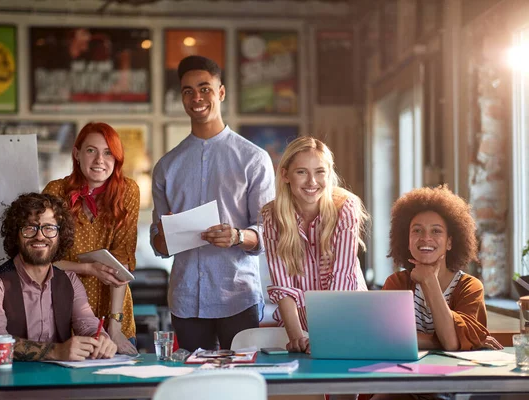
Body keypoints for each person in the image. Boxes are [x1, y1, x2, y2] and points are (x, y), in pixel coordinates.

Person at [150, 55, 275, 351]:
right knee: (192, 385)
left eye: (204, 88)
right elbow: (159, 245)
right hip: (185, 300)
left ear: (221, 92)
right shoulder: (167, 166)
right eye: (188, 91)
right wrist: (164, 237)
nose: (197, 98)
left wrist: (236, 236)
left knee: (241, 386)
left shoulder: (253, 158)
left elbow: (269, 232)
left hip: (238, 296)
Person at [371, 186, 503, 400]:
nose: (426, 238)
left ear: (450, 242)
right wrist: (443, 340)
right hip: (402, 379)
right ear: (407, 238)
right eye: (417, 230)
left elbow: (451, 342)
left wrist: (429, 280)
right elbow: (389, 341)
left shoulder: (470, 287)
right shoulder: (396, 283)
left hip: (452, 382)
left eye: (436, 231)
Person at [0, 193, 117, 369]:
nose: (40, 236)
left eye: (49, 228)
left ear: (60, 235)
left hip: (59, 383)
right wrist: (56, 351)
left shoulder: (70, 280)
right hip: (8, 386)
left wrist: (102, 340)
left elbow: (88, 324)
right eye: (30, 228)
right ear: (16, 234)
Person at [262, 136, 369, 354]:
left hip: (346, 318)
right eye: (302, 172)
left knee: (345, 386)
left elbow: (342, 277)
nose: (312, 181)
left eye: (320, 171)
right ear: (285, 175)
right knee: (305, 385)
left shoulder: (345, 208)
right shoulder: (271, 215)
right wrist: (297, 337)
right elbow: (283, 286)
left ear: (329, 174)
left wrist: (325, 336)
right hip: (299, 324)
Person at [43, 122, 139, 354]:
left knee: (118, 386)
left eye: (108, 152)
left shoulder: (128, 192)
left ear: (117, 158)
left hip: (114, 310)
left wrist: (114, 328)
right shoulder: (55, 191)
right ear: (76, 154)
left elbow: (122, 260)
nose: (99, 160)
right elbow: (42, 259)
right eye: (91, 150)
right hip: (64, 311)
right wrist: (88, 268)